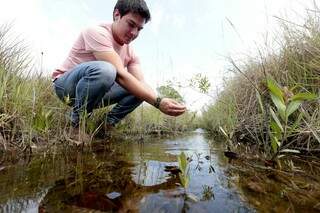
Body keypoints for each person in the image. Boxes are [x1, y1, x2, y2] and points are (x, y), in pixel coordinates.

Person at [52, 0, 186, 141]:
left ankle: (108, 124)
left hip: (95, 93)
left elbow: (141, 83)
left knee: (142, 90)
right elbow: (120, 75)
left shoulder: (131, 53)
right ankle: (76, 125)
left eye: (139, 29)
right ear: (117, 14)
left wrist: (162, 99)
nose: (134, 33)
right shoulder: (96, 32)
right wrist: (158, 103)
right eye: (131, 24)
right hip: (66, 87)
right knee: (107, 70)